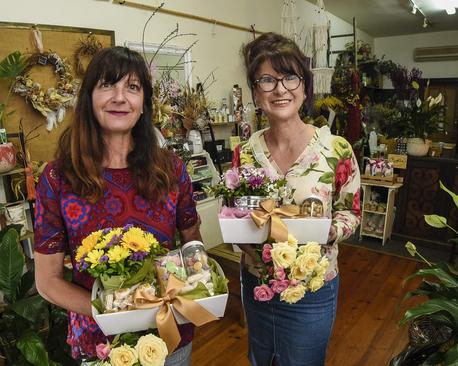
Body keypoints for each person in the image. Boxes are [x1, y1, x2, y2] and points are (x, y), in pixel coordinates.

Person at [33, 46, 202, 365]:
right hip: (102, 344)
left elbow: (191, 236)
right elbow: (48, 281)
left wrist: (197, 283)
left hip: (169, 335)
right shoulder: (59, 178)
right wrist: (117, 312)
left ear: (144, 104)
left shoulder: (171, 168)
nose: (120, 97)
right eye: (107, 84)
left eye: (133, 87)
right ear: (89, 98)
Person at [234, 32, 361, 365]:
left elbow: (352, 212)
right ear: (255, 92)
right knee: (260, 358)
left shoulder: (336, 149)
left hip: (312, 289)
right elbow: (235, 211)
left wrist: (328, 232)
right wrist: (243, 237)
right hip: (257, 283)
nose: (280, 89)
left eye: (290, 77)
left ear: (305, 87)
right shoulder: (245, 153)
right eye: (267, 80)